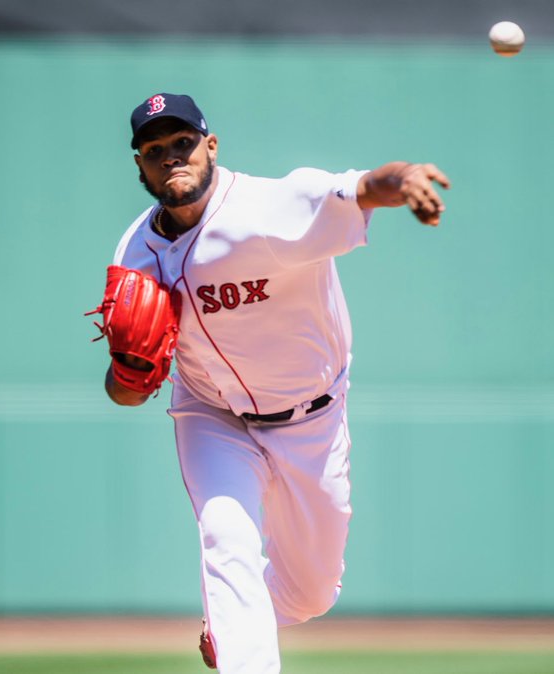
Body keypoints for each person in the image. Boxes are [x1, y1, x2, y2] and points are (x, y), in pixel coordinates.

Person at [101, 93, 450, 674]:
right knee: (226, 539)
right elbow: (126, 392)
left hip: (311, 418)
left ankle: (233, 626)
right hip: (211, 416)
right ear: (139, 165)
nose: (171, 157)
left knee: (311, 593)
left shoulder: (269, 208)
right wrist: (127, 377)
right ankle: (241, 642)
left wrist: (405, 178)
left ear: (212, 146)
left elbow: (362, 187)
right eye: (154, 150)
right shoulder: (134, 251)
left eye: (183, 142)